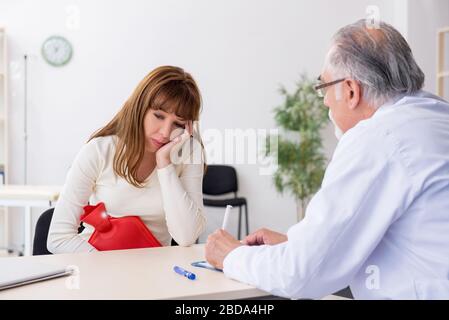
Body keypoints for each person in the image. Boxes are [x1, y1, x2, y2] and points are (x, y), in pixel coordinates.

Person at [205, 20, 449, 299]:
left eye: (323, 86)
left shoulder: (377, 138)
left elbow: (300, 275)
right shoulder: (437, 115)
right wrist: (294, 243)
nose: (324, 102)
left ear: (351, 91)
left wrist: (231, 255)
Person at [48, 65, 206, 253]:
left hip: (155, 273)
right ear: (140, 107)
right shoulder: (99, 151)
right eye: (158, 116)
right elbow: (58, 238)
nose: (165, 133)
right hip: (97, 265)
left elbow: (186, 237)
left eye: (178, 124)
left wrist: (165, 164)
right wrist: (111, 269)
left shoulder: (189, 152)